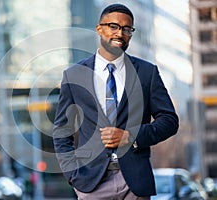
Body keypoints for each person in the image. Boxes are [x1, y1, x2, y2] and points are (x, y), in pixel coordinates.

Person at [52, 3, 179, 200]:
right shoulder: (74, 75)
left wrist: (131, 136)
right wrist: (73, 176)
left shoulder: (147, 73)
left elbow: (169, 121)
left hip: (135, 183)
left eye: (127, 29)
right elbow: (62, 131)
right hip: (91, 183)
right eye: (113, 26)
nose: (120, 33)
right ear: (99, 29)